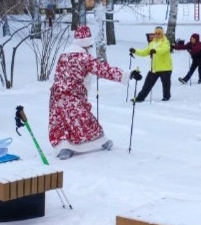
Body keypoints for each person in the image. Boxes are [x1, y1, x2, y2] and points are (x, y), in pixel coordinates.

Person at [49, 25, 141, 159]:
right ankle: (101, 141)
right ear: (87, 44)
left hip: (57, 94)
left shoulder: (63, 55)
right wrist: (128, 74)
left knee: (61, 121)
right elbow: (105, 70)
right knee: (83, 119)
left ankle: (64, 148)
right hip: (73, 94)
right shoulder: (84, 58)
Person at [130, 26, 173, 102]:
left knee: (166, 85)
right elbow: (145, 52)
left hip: (165, 68)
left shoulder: (166, 42)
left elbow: (163, 50)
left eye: (159, 33)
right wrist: (135, 51)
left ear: (162, 34)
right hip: (154, 68)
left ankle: (166, 97)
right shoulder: (152, 43)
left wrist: (155, 51)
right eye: (156, 33)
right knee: (147, 84)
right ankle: (140, 98)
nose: (157, 35)